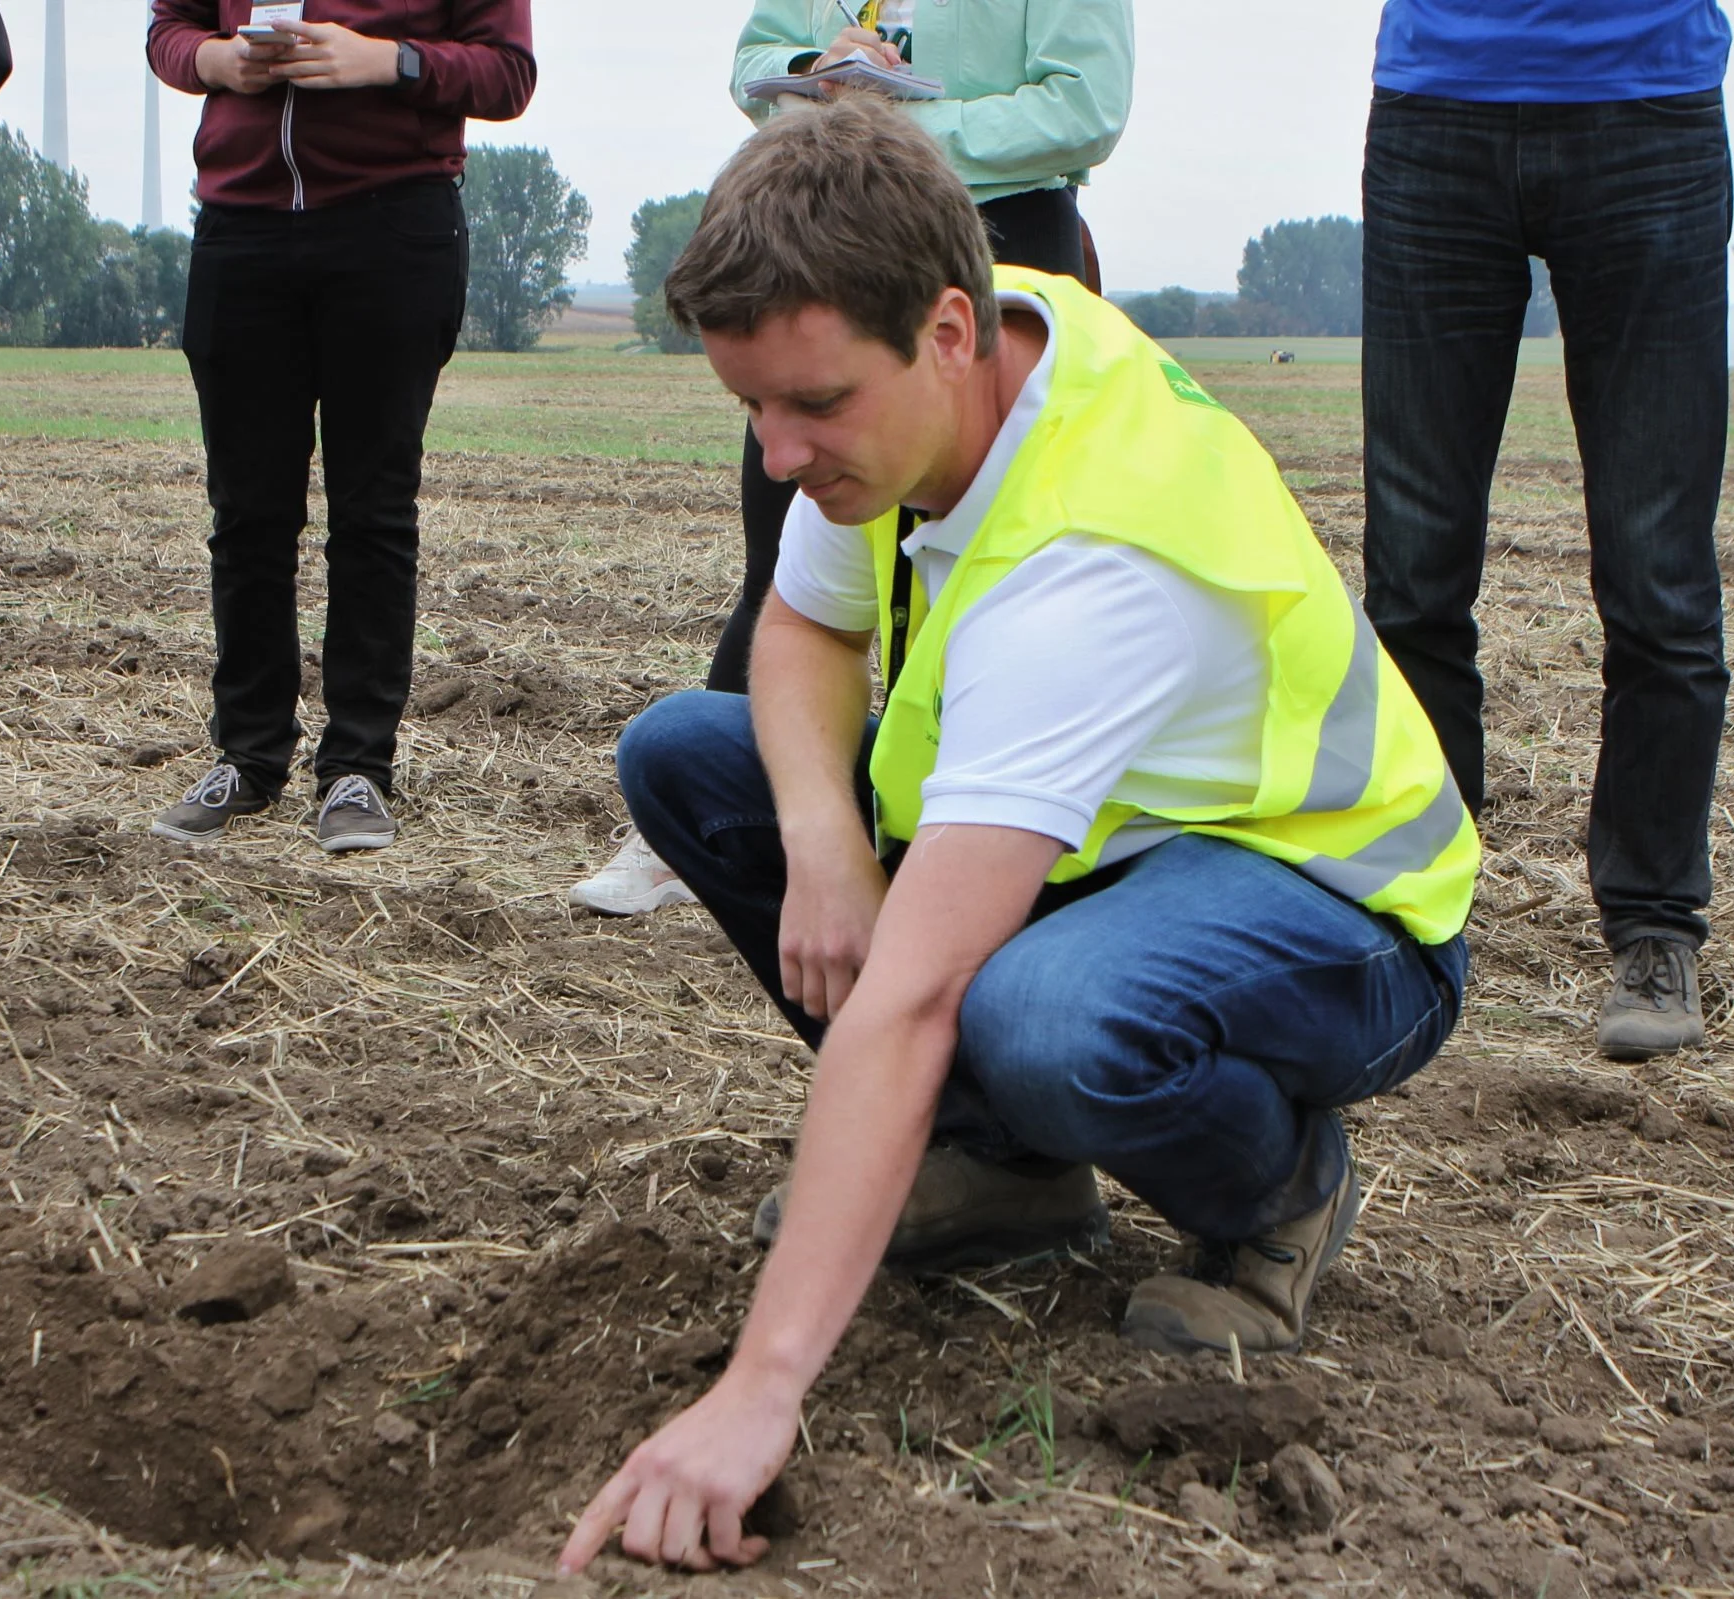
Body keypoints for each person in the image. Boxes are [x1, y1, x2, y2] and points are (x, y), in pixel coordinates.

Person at [556, 99, 1476, 1576]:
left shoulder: (1088, 562)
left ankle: (1279, 1192)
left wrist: (760, 1385)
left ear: (939, 329)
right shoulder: (964, 358)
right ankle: (1005, 1169)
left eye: (812, 405)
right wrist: (823, 841)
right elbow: (800, 624)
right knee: (691, 755)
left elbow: (914, 994)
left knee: (1040, 1012)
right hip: (1103, 849)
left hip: (1336, 911)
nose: (780, 453)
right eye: (752, 411)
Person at [570, 0, 1133, 915]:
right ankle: (717, 838)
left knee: (1011, 569)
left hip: (996, 242)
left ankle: (989, 842)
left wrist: (906, 129)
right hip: (835, 236)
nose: (771, 428)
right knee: (787, 548)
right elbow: (755, 54)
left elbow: (1087, 106)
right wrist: (815, 71)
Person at [1358, 0, 1734, 1059]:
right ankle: (1412, 921)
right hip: (1437, 109)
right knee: (1414, 576)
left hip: (1647, 104)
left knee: (1660, 574)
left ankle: (1656, 926)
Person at [145, 1, 535, 853]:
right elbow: (167, 28)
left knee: (373, 512)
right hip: (240, 230)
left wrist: (385, 60)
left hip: (393, 225)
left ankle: (358, 766)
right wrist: (215, 63)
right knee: (246, 512)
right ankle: (247, 756)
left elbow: (509, 74)